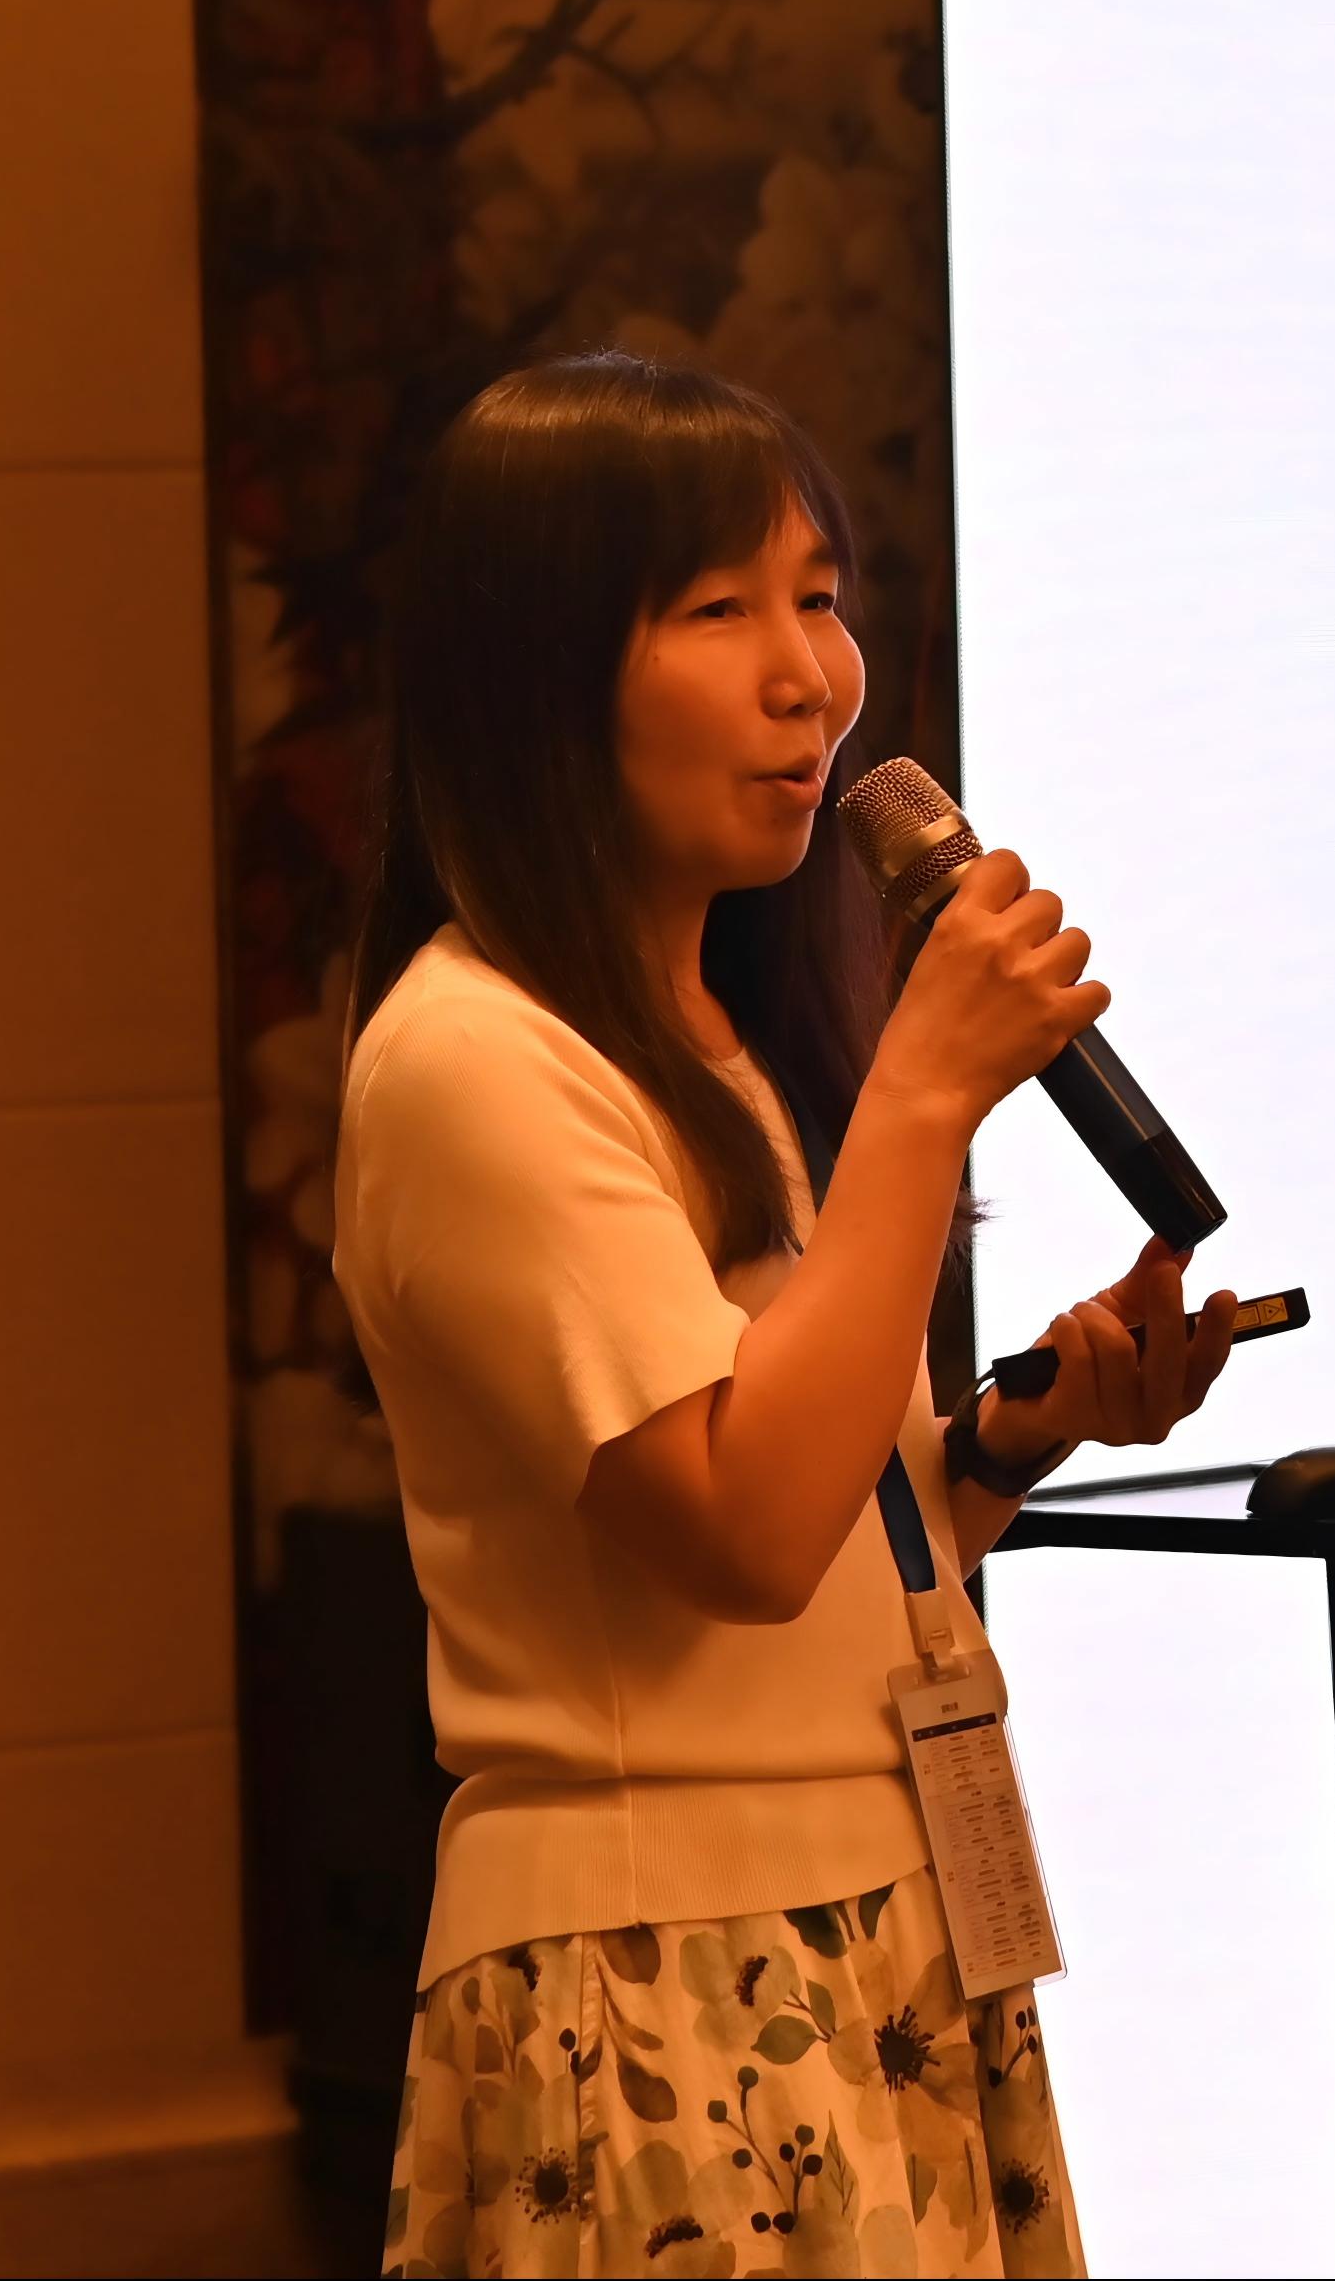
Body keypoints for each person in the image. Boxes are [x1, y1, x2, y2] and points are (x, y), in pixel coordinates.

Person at [339, 354, 1232, 2278]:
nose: (809, 676)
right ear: (538, 672)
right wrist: (925, 1090)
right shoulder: (477, 1059)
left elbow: (818, 1515)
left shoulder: (723, 1039)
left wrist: (1007, 1441)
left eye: (818, 597)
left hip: (885, 1920)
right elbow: (741, 1532)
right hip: (662, 1957)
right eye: (717, 609)